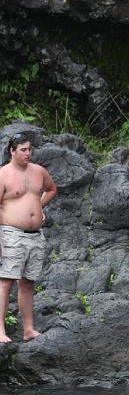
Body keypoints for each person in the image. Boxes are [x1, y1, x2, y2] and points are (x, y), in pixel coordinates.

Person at [0, 132, 57, 343]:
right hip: (10, 233)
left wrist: (37, 206)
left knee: (27, 283)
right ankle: (0, 330)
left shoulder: (39, 172)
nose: (28, 153)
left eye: (30, 149)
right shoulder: (3, 175)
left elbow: (51, 189)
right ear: (12, 151)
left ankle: (28, 329)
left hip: (35, 235)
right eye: (23, 150)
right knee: (6, 281)